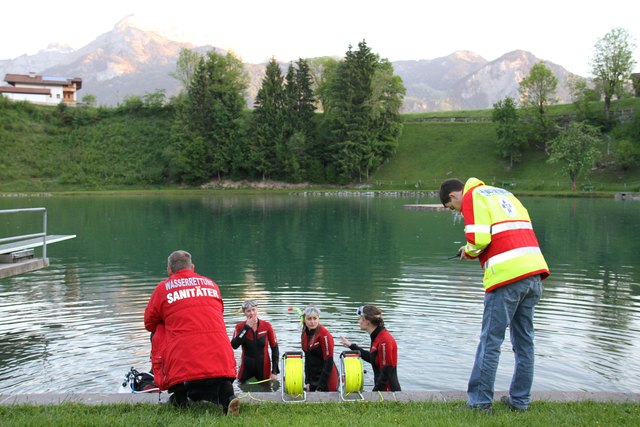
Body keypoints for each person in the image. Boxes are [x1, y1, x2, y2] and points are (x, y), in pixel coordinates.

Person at [439, 177, 550, 412]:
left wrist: (467, 252)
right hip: (533, 272)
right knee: (524, 342)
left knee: (490, 342)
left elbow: (479, 239)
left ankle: (479, 403)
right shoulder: (503, 193)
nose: (457, 212)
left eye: (452, 209)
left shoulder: (472, 197)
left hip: (507, 278)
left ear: (453, 196)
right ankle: (520, 401)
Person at [144, 250, 240, 416]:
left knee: (159, 329)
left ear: (169, 270)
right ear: (192, 268)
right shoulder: (211, 284)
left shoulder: (163, 288)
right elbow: (219, 312)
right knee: (209, 325)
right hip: (221, 357)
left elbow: (149, 323)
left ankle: (179, 396)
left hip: (182, 359)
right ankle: (227, 397)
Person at [339, 304, 401, 392]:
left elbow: (386, 370)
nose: (358, 321)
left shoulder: (384, 340)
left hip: (389, 392)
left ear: (367, 322)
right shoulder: (377, 336)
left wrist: (375, 393)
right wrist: (351, 345)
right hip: (383, 389)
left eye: (360, 318)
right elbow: (372, 358)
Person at [231, 300, 280, 385]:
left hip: (263, 366)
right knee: (240, 386)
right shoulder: (240, 327)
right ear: (244, 312)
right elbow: (234, 345)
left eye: (253, 310)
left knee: (266, 389)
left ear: (257, 310)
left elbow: (275, 348)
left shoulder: (267, 326)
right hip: (246, 365)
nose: (252, 313)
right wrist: (246, 327)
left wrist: (274, 371)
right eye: (248, 311)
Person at [300, 305, 339, 391]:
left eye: (315, 318)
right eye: (309, 319)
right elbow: (307, 359)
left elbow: (328, 363)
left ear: (319, 319)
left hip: (327, 379)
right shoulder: (304, 334)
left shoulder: (324, 335)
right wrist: (307, 381)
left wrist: (320, 387)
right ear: (304, 320)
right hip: (313, 377)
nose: (312, 322)